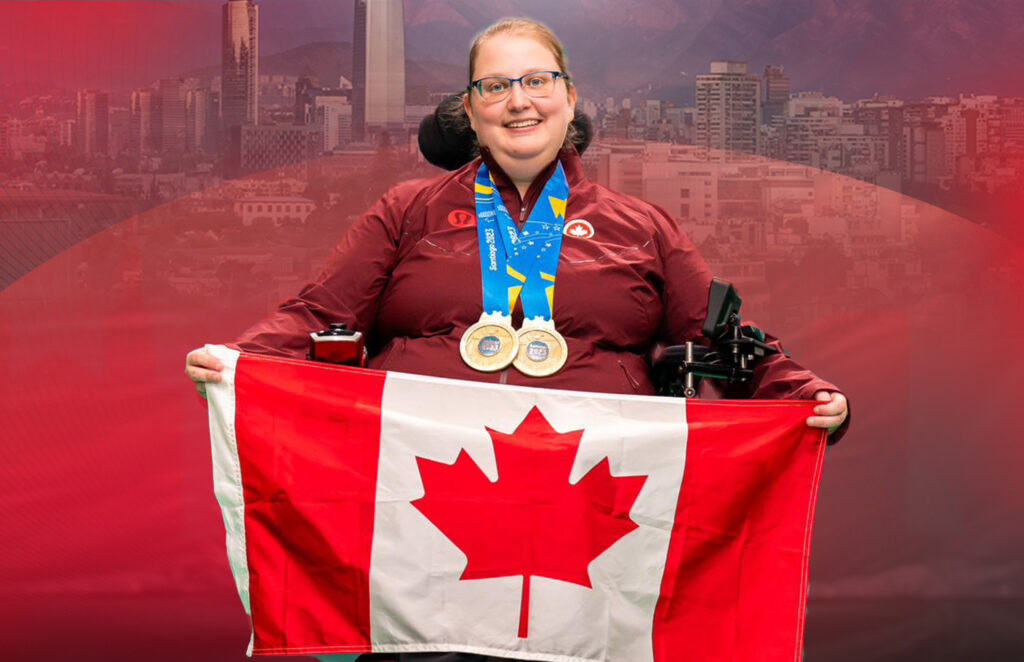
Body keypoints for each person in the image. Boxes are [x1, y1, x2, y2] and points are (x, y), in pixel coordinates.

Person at [185, 17, 849, 662]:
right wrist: (239, 365)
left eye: (536, 80)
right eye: (494, 86)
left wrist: (803, 394)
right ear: (468, 113)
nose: (518, 100)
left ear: (569, 98)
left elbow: (724, 340)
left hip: (593, 516)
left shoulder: (641, 226)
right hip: (424, 515)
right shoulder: (406, 212)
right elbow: (317, 313)